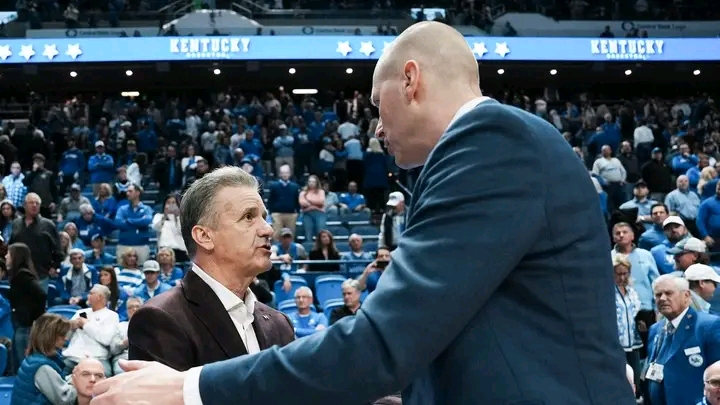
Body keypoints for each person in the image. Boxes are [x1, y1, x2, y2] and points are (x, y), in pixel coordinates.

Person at [89, 22, 634, 405]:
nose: (376, 125)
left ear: (410, 80)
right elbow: (433, 346)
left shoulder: (489, 142)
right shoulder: (496, 148)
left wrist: (187, 387)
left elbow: (383, 344)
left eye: (377, 103)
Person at [126, 166, 294, 372]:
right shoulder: (159, 320)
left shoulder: (280, 324)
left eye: (264, 217)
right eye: (248, 217)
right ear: (204, 236)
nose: (268, 229)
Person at [11, 313, 76, 405]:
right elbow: (64, 399)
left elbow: (59, 380)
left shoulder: (35, 358)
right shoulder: (43, 367)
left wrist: (75, 378)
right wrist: (81, 385)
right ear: (50, 337)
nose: (66, 339)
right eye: (62, 335)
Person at [6, 242, 47, 372]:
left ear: (16, 256)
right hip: (22, 326)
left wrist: (32, 318)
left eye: (8, 254)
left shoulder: (23, 275)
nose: (6, 256)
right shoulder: (18, 275)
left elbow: (41, 294)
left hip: (26, 327)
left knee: (24, 364)